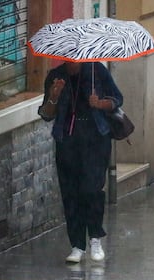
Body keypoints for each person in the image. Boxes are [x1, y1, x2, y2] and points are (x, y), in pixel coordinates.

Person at [38, 61, 123, 263]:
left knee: (92, 189)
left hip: (96, 139)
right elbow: (46, 114)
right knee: (71, 193)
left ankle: (95, 238)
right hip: (67, 140)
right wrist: (53, 97)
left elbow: (117, 99)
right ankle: (77, 245)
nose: (72, 59)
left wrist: (99, 103)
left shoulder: (97, 71)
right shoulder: (56, 76)